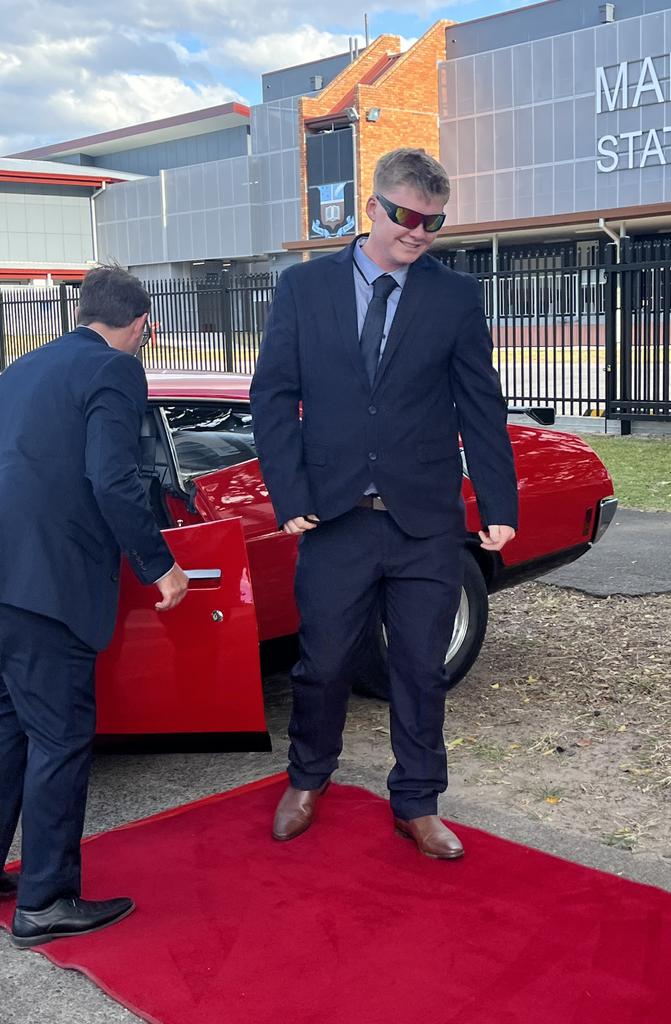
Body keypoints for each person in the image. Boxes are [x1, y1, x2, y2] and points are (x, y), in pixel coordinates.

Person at [250, 148, 518, 859]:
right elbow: (273, 395)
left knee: (421, 667)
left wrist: (498, 502)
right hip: (334, 518)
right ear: (372, 207)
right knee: (324, 662)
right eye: (405, 215)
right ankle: (308, 779)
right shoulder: (304, 288)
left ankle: (418, 802)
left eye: (433, 221)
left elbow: (480, 406)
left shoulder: (454, 297)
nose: (418, 231)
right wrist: (289, 492)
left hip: (425, 521)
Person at [0, 265, 189, 948]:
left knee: (7, 731)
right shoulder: (116, 370)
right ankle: (46, 901)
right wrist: (160, 564)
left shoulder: (22, 369)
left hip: (4, 578)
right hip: (49, 587)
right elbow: (112, 479)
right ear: (143, 325)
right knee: (59, 738)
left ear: (83, 312)